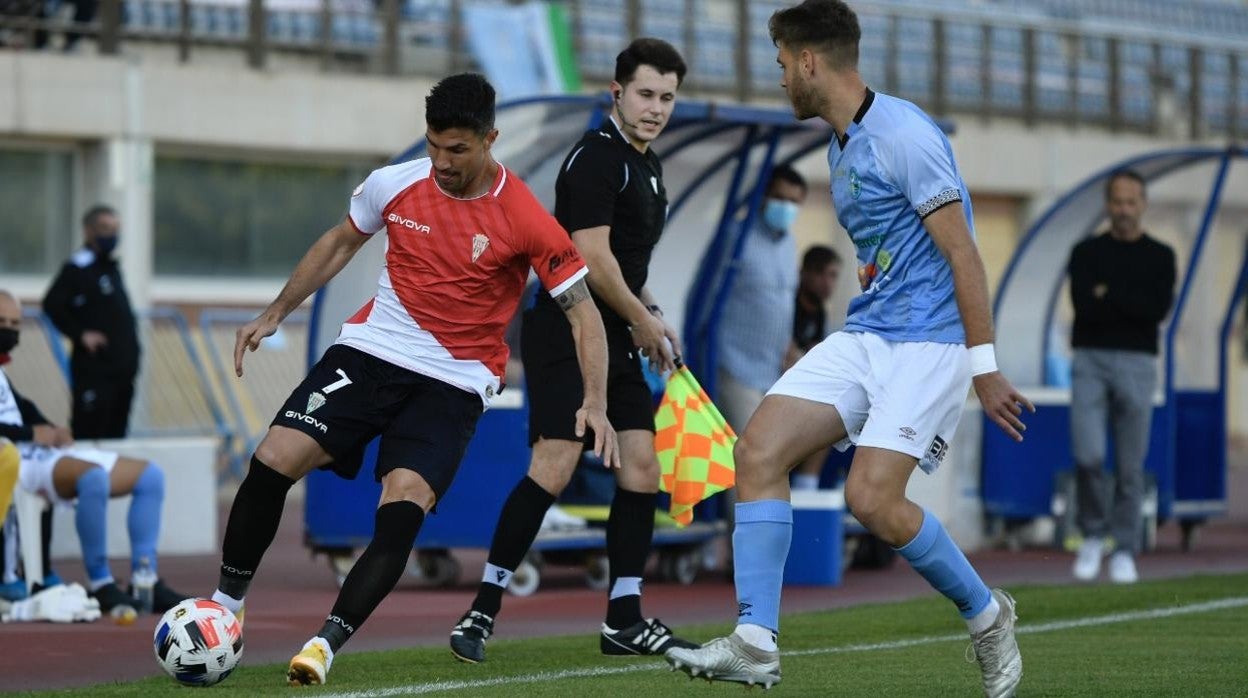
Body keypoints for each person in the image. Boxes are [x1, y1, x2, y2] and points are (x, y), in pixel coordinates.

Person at [664, 3, 1033, 696]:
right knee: (759, 451)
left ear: (809, 61)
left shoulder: (903, 134)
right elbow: (894, 244)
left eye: (781, 64)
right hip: (871, 330)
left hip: (930, 341)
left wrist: (984, 369)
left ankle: (987, 616)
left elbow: (965, 256)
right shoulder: (839, 144)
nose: (779, 79)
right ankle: (755, 640)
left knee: (872, 501)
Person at [205, 73, 616, 688]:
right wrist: (274, 312)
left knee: (401, 507)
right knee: (271, 458)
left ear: (489, 139)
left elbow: (582, 311)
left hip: (454, 379)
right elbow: (340, 243)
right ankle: (225, 611)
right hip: (372, 350)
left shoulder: (526, 217)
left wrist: (596, 402)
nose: (442, 162)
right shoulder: (396, 183)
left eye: (458, 150)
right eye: (433, 145)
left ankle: (323, 645)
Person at [446, 38, 696, 665]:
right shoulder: (595, 158)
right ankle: (482, 610)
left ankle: (624, 619)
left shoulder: (651, 165)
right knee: (554, 465)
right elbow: (590, 258)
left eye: (667, 97)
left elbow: (629, 266)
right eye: (645, 93)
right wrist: (642, 319)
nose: (656, 107)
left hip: (620, 330)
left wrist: (653, 317)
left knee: (643, 468)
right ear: (616, 92)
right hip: (567, 328)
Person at [0, 290, 183, 616]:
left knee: (149, 476)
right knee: (93, 479)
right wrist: (32, 433)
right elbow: (15, 425)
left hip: (37, 452)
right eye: (2, 322)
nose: (9, 330)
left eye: (14, 323)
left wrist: (51, 428)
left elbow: (21, 407)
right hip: (15, 460)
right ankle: (101, 583)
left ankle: (145, 579)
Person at [1067, 169, 1176, 585]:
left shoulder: (1161, 256)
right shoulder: (1086, 253)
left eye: (1132, 202)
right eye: (1118, 202)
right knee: (1088, 454)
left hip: (1138, 362)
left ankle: (1126, 547)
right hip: (1090, 359)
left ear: (1142, 205)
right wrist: (1125, 300)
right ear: (1108, 205)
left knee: (1131, 466)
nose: (1125, 210)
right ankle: (1093, 534)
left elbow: (1156, 310)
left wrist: (1108, 294)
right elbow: (1084, 305)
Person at [716, 165, 808, 435]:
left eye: (794, 202)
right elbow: (706, 297)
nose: (786, 207)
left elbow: (782, 299)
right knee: (751, 450)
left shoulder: (789, 243)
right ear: (764, 196)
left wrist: (789, 344)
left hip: (774, 370)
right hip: (735, 367)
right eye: (780, 198)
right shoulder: (736, 236)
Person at [43, 204, 141, 440]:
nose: (112, 235)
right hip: (96, 373)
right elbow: (52, 305)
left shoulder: (110, 267)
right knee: (90, 437)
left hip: (122, 374)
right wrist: (80, 334)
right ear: (89, 231)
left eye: (115, 229)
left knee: (117, 440)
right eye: (105, 228)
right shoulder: (78, 267)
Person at [787, 244, 841, 491]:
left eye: (833, 276)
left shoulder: (820, 314)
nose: (828, 283)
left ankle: (806, 493)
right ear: (804, 273)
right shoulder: (788, 306)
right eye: (822, 274)